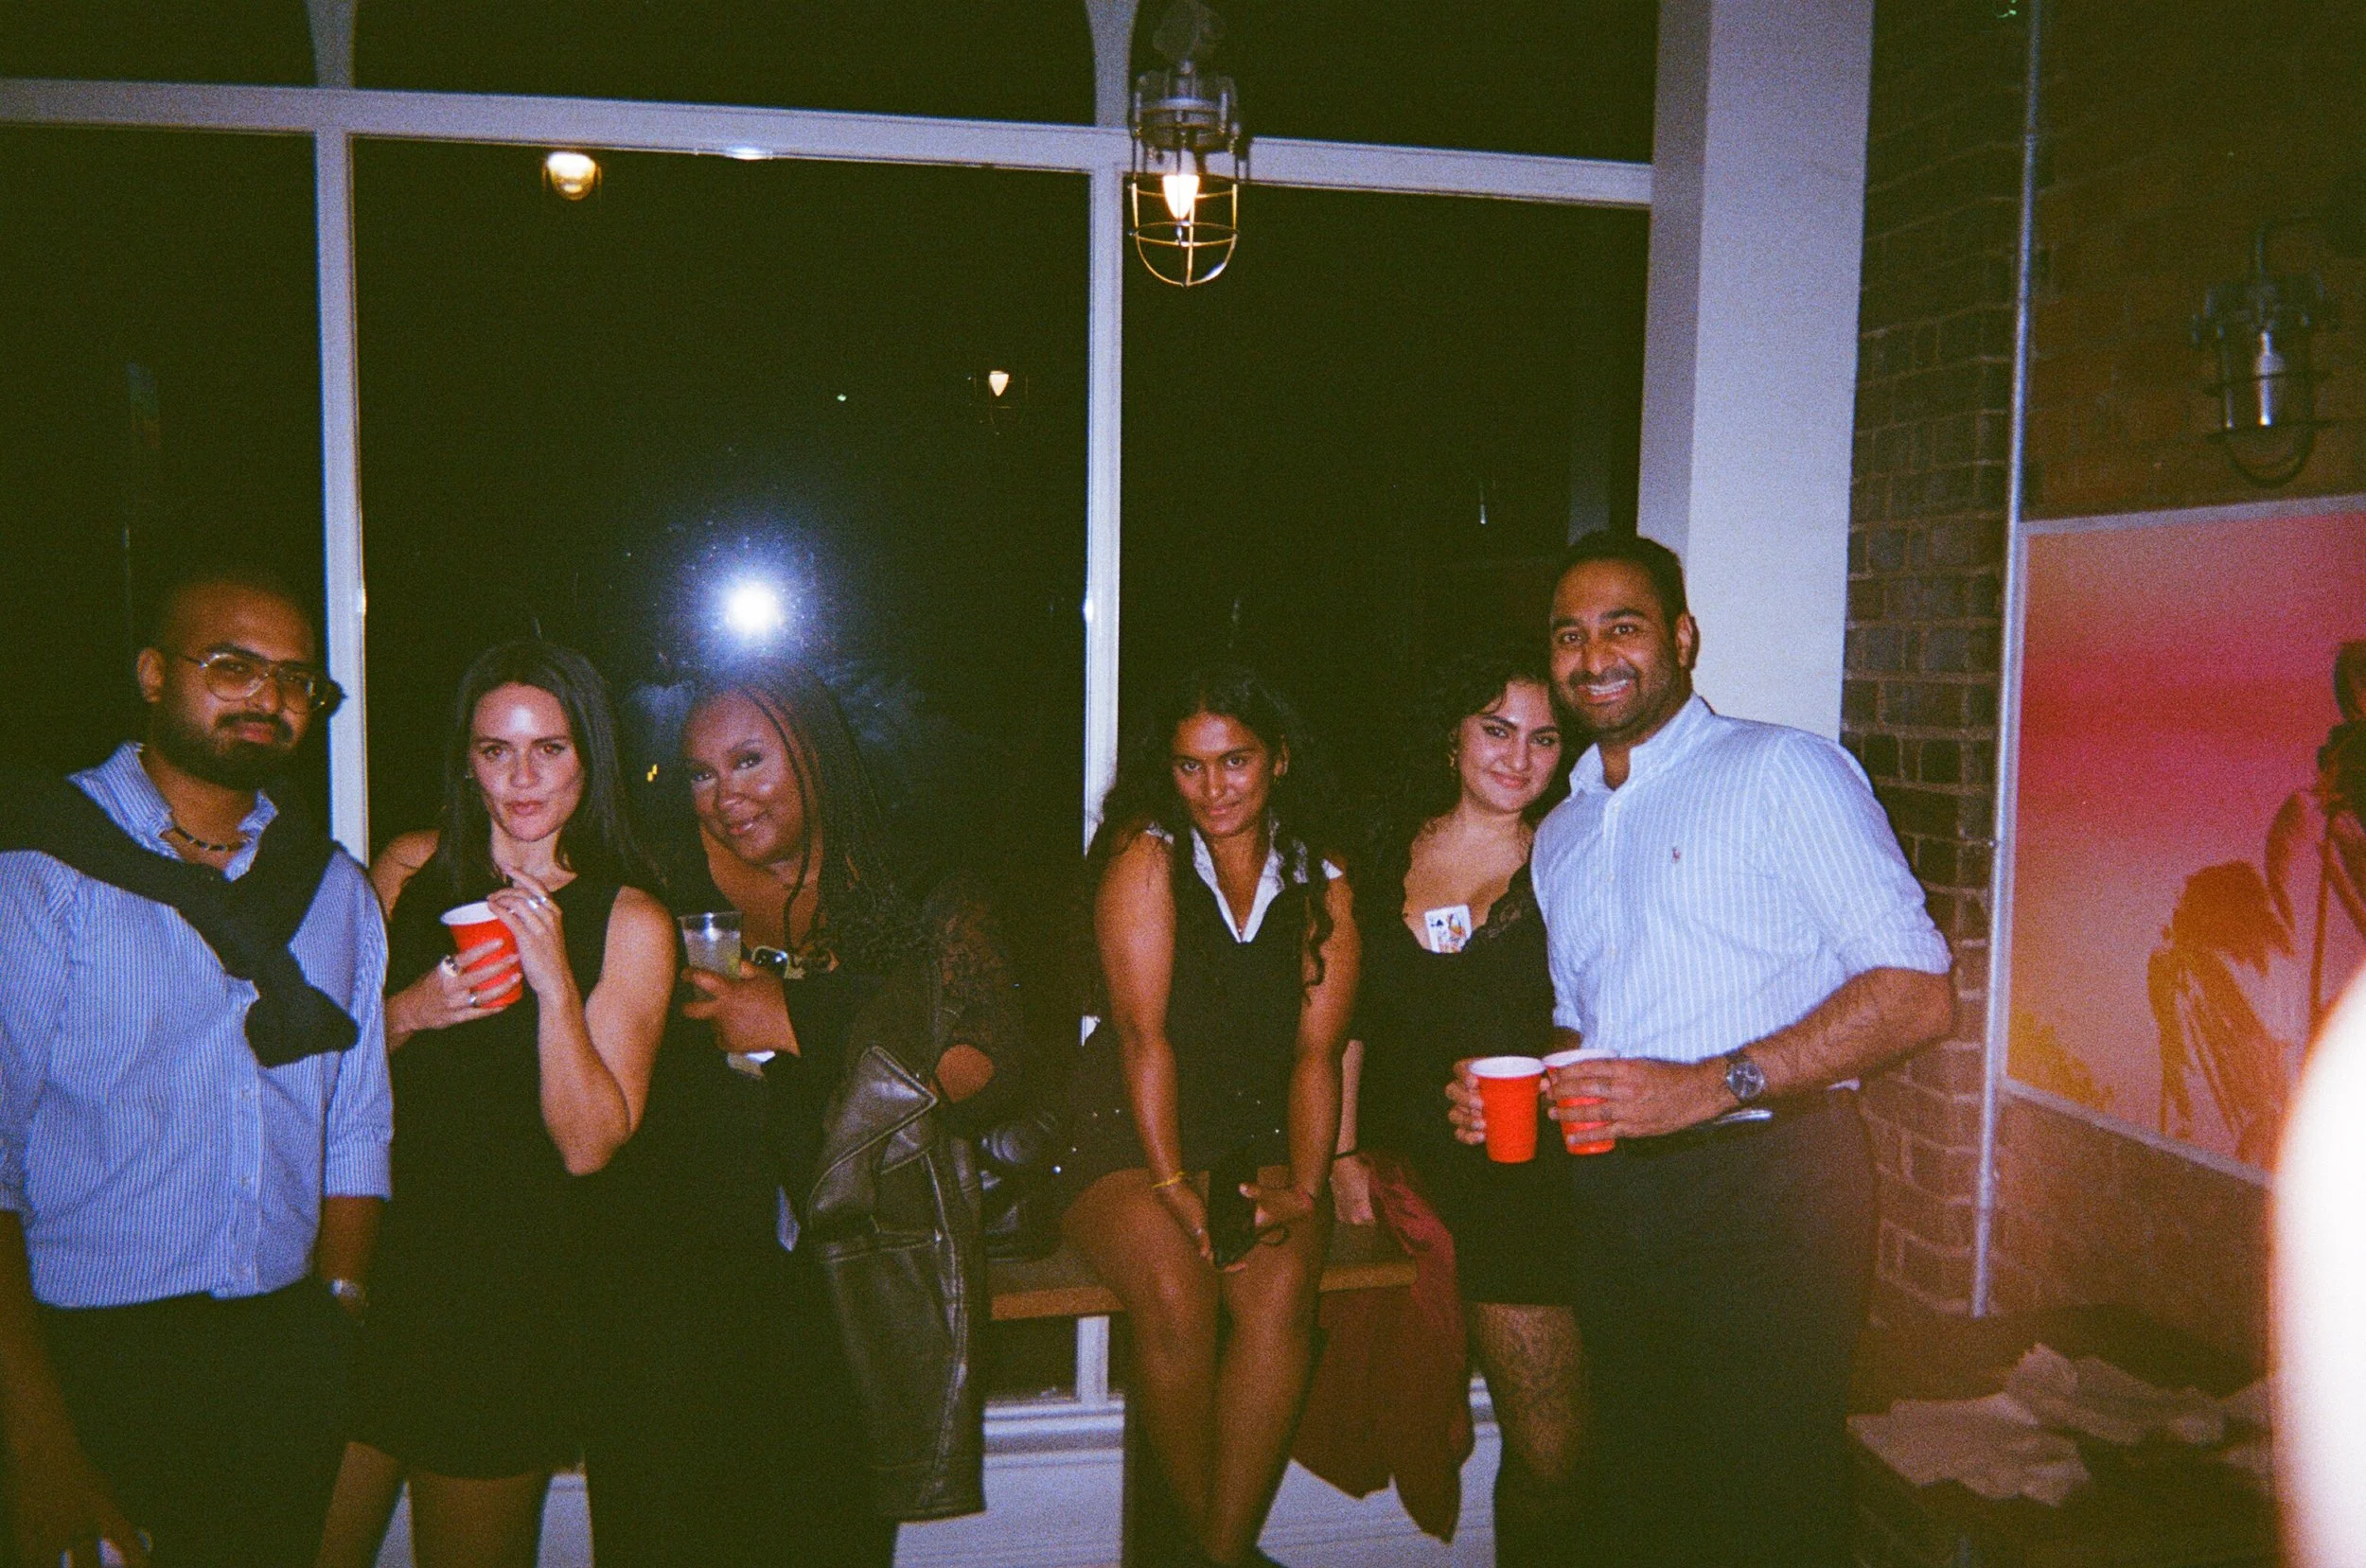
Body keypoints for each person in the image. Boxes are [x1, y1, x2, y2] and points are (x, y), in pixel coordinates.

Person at [1449, 533, 1954, 1567]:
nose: (1594, 656)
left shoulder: (1781, 770)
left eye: (1622, 626)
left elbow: (1916, 993)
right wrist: (1527, 1086)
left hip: (1772, 1187)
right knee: (1637, 1497)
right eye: (1569, 635)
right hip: (1615, 1198)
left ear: (1681, 638)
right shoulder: (1565, 830)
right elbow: (1585, 1023)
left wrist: (1712, 1084)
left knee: (1762, 1505)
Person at [0, 565, 391, 1568]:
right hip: (85, 1354)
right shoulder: (41, 867)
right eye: (232, 665)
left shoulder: (333, 889)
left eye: (296, 679)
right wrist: (33, 1433)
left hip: (281, 1359)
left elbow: (355, 1125)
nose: (269, 696)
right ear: (151, 674)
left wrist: (336, 1316)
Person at [588, 661, 1016, 1565]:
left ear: (815, 755)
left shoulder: (912, 884)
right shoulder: (651, 882)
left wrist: (795, 1018)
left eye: (750, 760)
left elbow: (985, 1065)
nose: (724, 797)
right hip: (667, 1294)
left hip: (842, 1283)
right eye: (701, 773)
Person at [315, 642, 675, 1568]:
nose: (522, 778)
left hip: (505, 1307)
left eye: (549, 749)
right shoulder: (408, 869)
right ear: (466, 762)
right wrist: (411, 1011)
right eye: (495, 750)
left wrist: (555, 980)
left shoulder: (630, 918)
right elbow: (317, 1076)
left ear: (588, 757)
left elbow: (589, 1144)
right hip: (366, 1270)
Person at [1057, 664, 1359, 1568]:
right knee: (1177, 1293)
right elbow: (1142, 1037)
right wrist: (1171, 1182)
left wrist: (1306, 1188)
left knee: (1281, 1291)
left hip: (1255, 1132)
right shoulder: (1146, 855)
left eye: (1236, 761)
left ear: (1279, 760)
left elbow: (1316, 1054)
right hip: (1124, 1126)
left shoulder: (1322, 877)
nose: (1213, 787)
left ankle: (1216, 1554)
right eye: (1190, 765)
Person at [1340, 646, 1581, 1567]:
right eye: (1496, 729)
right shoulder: (1378, 850)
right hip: (1407, 1176)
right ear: (1453, 735)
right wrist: (1343, 1155)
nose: (1519, 758)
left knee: (1553, 1454)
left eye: (1544, 738)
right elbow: (1343, 1022)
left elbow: (1612, 1011)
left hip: (1526, 1180)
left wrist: (1548, 1077)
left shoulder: (1572, 856)